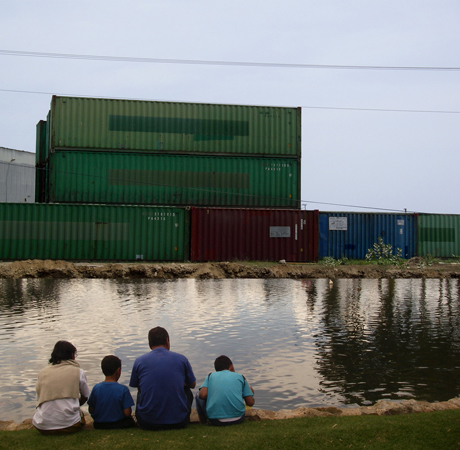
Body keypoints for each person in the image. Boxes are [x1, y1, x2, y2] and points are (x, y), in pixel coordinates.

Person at [129, 327, 196, 430]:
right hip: (179, 421)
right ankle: (178, 413)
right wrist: (181, 383)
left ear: (149, 343)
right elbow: (193, 384)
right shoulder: (181, 359)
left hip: (147, 422)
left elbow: (137, 386)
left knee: (141, 390)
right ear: (167, 341)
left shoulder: (139, 361)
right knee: (187, 391)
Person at [32, 340, 89, 435]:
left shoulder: (42, 373)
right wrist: (75, 405)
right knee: (80, 415)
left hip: (42, 427)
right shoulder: (78, 371)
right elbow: (85, 396)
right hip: (70, 425)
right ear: (71, 355)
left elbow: (40, 398)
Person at [196, 355, 254, 426]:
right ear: (231, 366)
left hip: (216, 420)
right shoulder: (240, 377)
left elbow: (202, 395)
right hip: (238, 418)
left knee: (198, 394)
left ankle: (203, 423)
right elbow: (250, 403)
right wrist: (250, 392)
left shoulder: (210, 376)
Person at [87, 355, 136, 429]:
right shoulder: (123, 389)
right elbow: (127, 413)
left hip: (99, 424)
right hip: (119, 423)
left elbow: (91, 410)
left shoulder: (96, 388)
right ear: (118, 370)